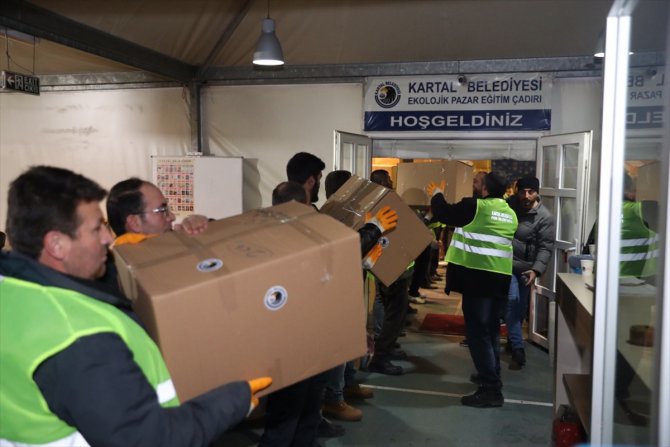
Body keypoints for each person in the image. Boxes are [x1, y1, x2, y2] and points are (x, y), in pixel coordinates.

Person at [0, 166, 270, 446]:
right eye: (96, 229)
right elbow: (149, 440)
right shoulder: (81, 337)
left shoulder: (13, 291)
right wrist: (233, 400)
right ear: (56, 244)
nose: (107, 238)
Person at [427, 172, 518, 407]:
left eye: (477, 181)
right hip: (500, 278)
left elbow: (444, 213)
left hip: (478, 278)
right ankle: (492, 374)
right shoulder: (509, 212)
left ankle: (490, 389)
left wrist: (436, 193)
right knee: (491, 331)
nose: (474, 183)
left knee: (478, 334)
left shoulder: (475, 207)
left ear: (486, 187)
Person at [505, 176, 555, 369]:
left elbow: (545, 247)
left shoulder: (544, 217)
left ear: (537, 193)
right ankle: (518, 349)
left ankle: (512, 339)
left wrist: (536, 270)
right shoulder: (509, 207)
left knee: (519, 307)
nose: (526, 196)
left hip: (526, 269)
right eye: (522, 191)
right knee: (511, 302)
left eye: (530, 192)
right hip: (506, 265)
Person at [367, 169, 411, 376]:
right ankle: (381, 358)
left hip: (393, 268)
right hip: (392, 270)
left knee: (393, 314)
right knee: (395, 316)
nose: (392, 182)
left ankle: (387, 348)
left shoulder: (375, 204)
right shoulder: (385, 206)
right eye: (388, 180)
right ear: (383, 183)